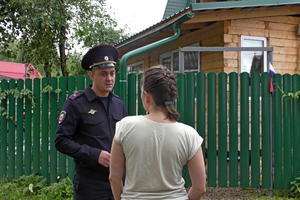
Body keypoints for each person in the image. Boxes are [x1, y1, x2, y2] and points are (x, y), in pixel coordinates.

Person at [109, 65, 206, 200]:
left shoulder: (125, 127)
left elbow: (114, 177)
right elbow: (200, 187)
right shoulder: (189, 134)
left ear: (146, 96)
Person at [55, 44, 127, 200]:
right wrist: (95, 155)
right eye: (103, 74)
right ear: (91, 75)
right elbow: (61, 141)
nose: (109, 79)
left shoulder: (119, 104)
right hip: (90, 185)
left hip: (118, 182)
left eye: (112, 73)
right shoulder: (76, 104)